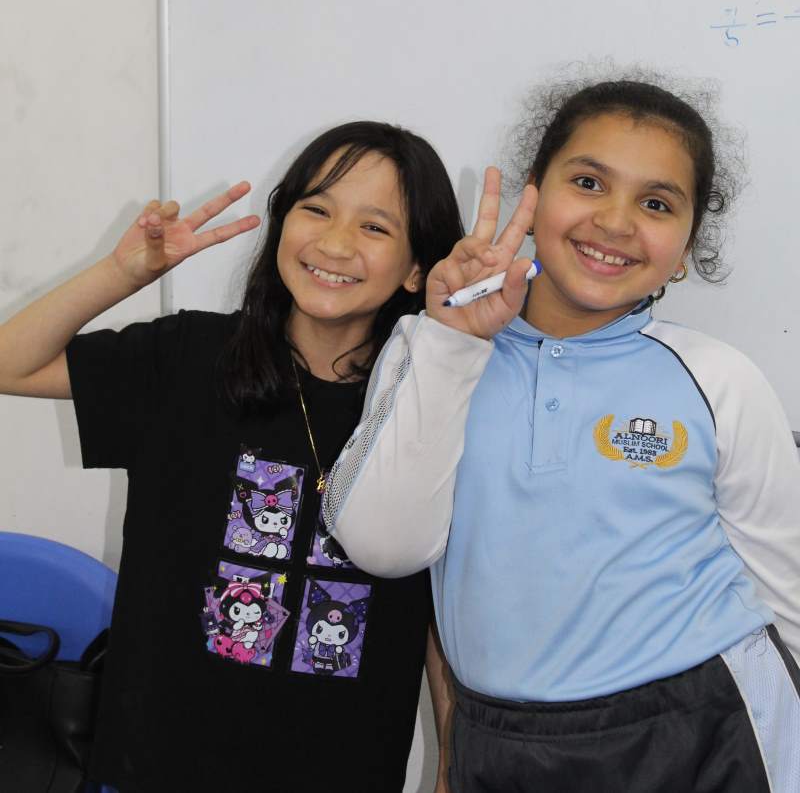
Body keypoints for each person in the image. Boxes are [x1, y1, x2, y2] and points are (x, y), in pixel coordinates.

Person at [324, 78, 800, 793]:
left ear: (683, 251)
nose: (615, 220)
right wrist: (453, 342)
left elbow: (786, 587)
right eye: (588, 181)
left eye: (657, 203)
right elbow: (383, 545)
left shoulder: (718, 378)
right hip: (501, 741)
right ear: (533, 195)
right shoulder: (434, 347)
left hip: (705, 733)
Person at [0, 120, 464, 792]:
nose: (334, 242)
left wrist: (451, 762)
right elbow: (12, 363)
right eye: (316, 208)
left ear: (418, 266)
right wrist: (120, 272)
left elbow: (441, 609)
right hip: (157, 767)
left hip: (340, 770)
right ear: (282, 225)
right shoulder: (188, 358)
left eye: (375, 227)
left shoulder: (433, 407)